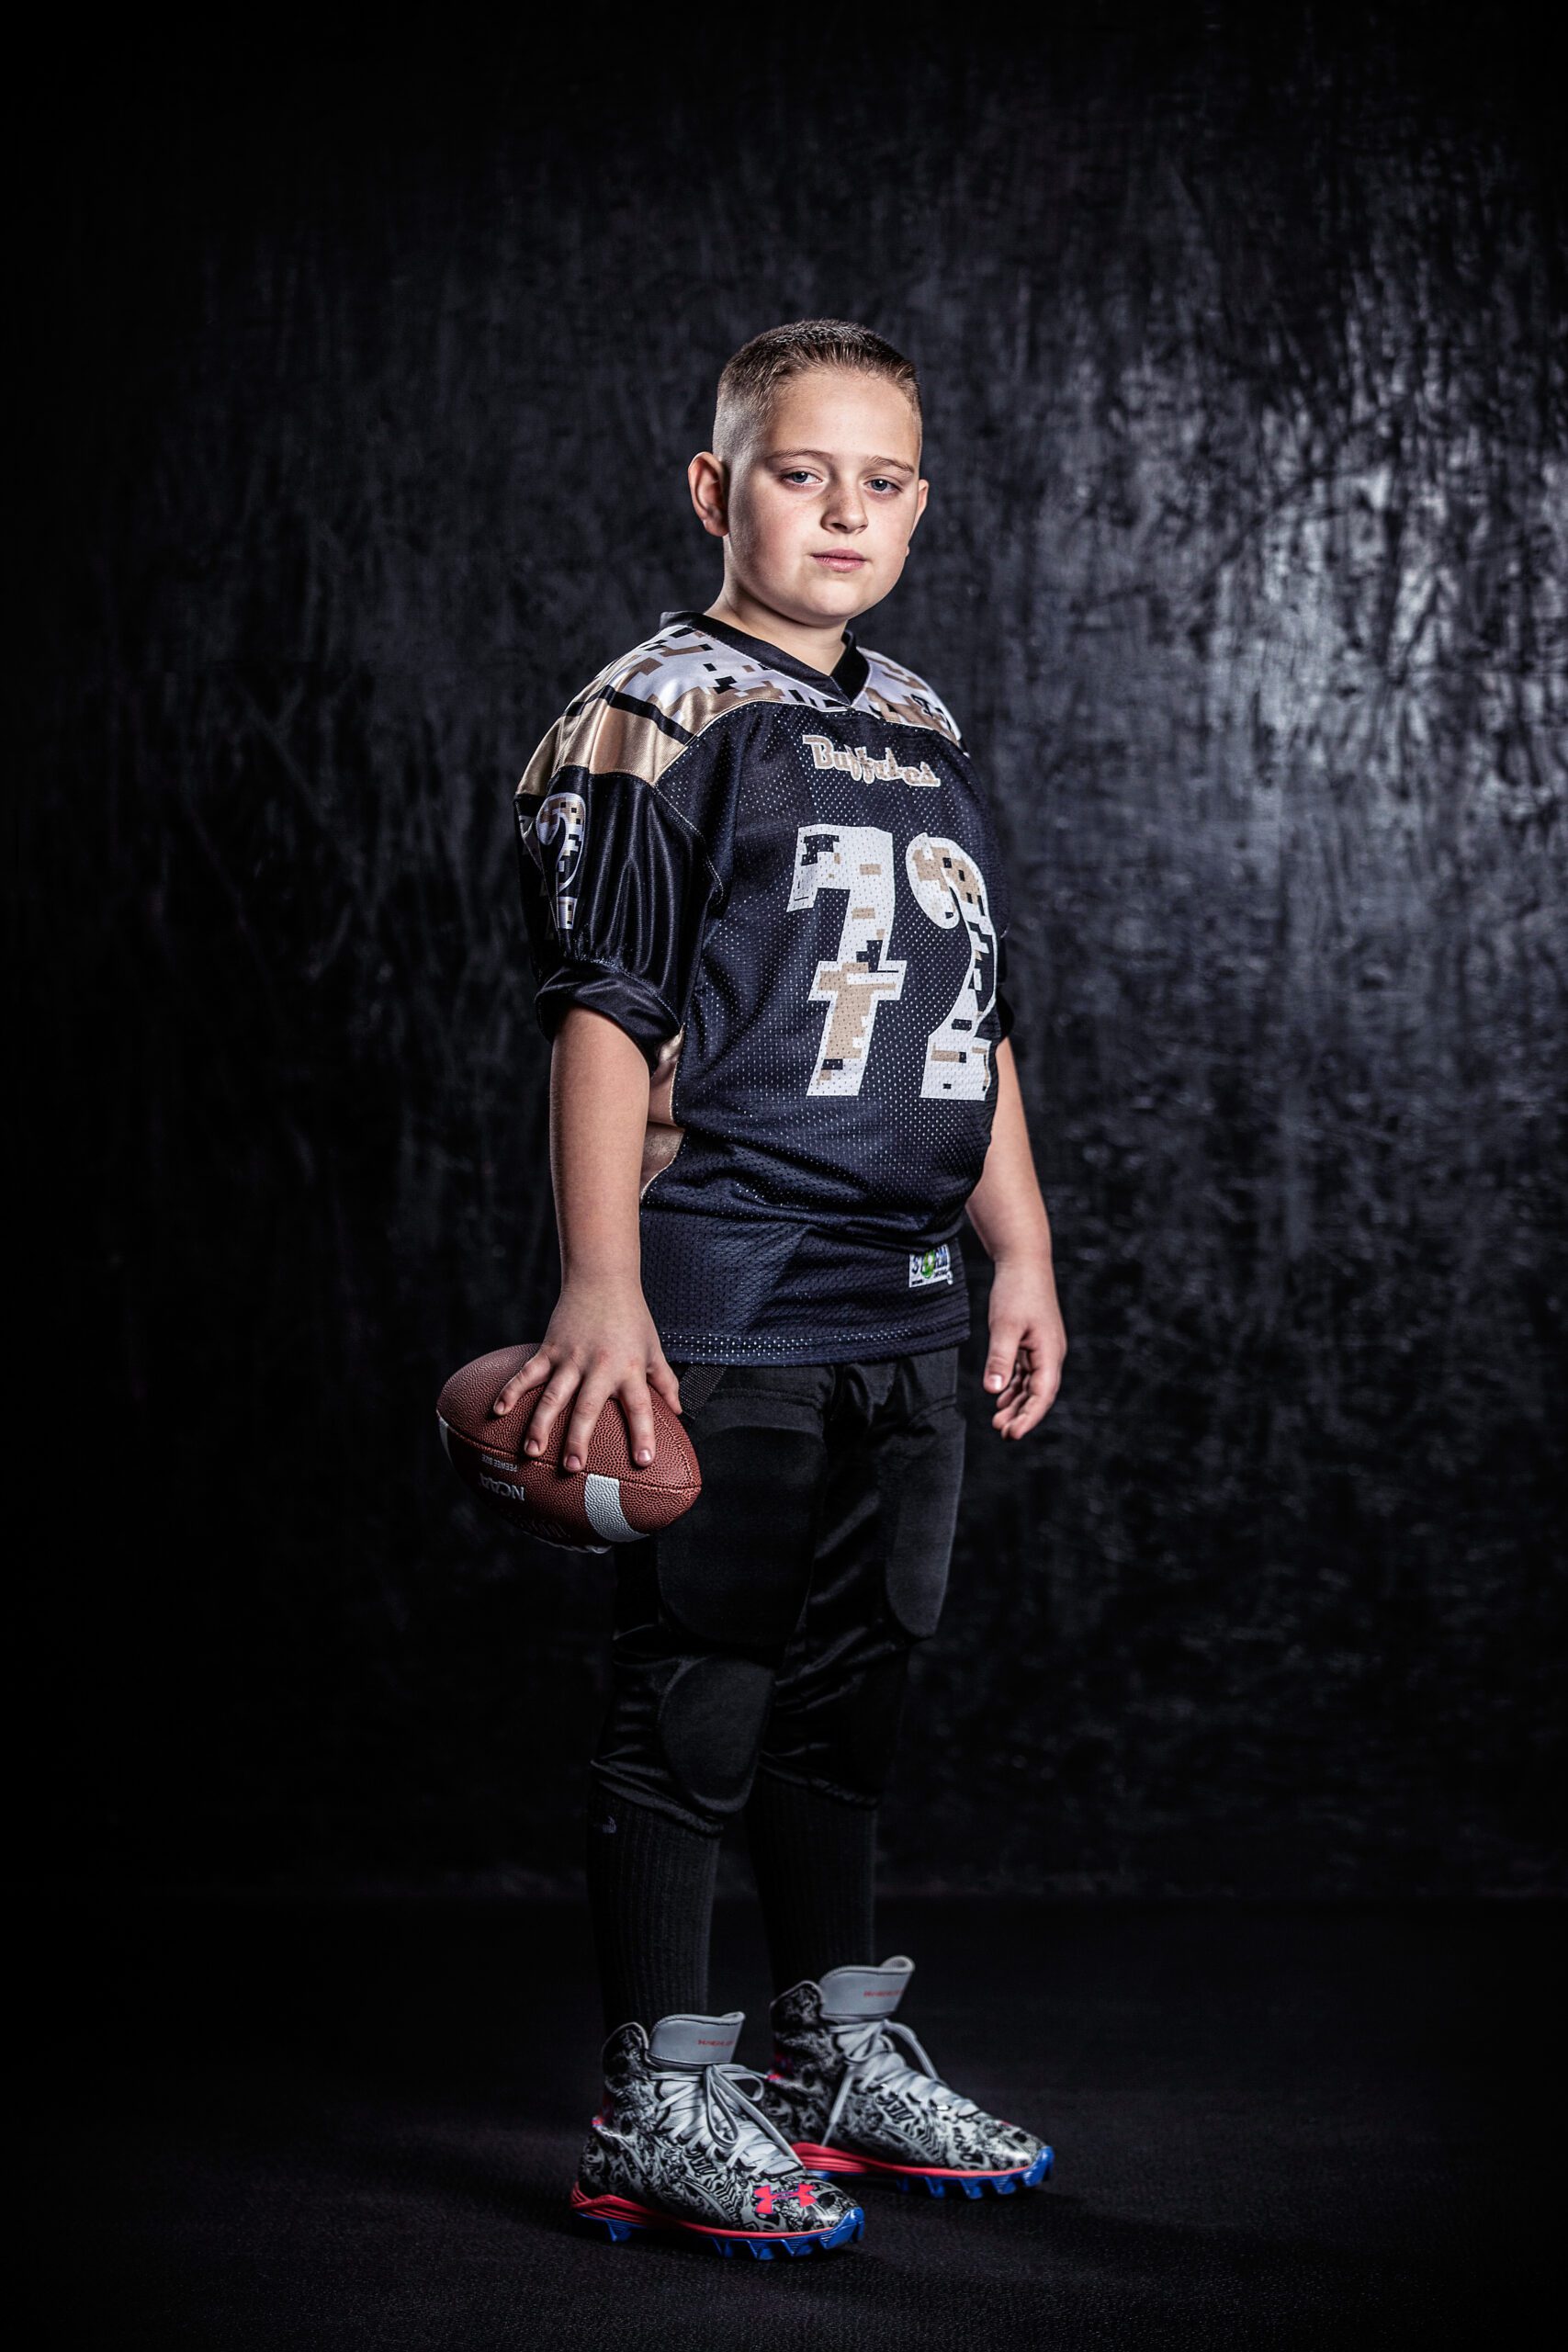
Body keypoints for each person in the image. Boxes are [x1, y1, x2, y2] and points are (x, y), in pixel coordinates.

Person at [502, 320, 1067, 2259]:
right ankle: (656, 2087)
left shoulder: (919, 717)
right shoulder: (652, 709)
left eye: (882, 478)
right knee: (701, 1692)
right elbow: (604, 1009)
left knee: (850, 1692)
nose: (843, 508)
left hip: (899, 1292)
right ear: (712, 487)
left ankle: (828, 2049)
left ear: (919, 500)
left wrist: (1021, 1241)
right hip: (722, 1283)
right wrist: (599, 1281)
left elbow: (970, 1016)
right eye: (800, 470)